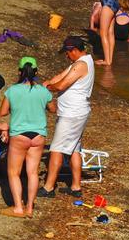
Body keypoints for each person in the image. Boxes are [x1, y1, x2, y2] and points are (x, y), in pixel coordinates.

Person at [0, 57, 55, 217]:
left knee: (14, 172)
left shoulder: (12, 90)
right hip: (38, 135)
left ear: (19, 71)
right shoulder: (43, 91)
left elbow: (2, 112)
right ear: (36, 72)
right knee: (33, 172)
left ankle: (18, 207)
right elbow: (53, 108)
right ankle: (29, 207)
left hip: (19, 135)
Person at [39, 36, 95, 199]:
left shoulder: (81, 65)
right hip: (76, 112)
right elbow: (59, 77)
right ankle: (76, 186)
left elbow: (61, 85)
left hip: (72, 114)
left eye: (68, 52)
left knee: (56, 149)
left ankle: (49, 188)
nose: (66, 55)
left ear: (75, 50)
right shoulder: (81, 62)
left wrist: (48, 87)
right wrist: (45, 83)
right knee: (74, 148)